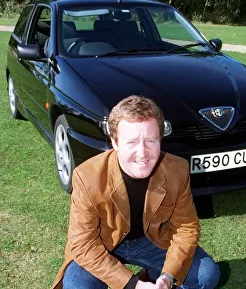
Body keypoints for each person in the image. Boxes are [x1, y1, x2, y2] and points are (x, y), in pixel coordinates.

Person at [52, 95, 220, 289]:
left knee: (207, 275)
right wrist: (132, 284)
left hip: (153, 240)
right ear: (114, 142)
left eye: (151, 140)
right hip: (104, 243)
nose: (142, 152)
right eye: (131, 142)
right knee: (77, 284)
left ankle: (151, 277)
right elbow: (83, 244)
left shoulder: (177, 169)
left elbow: (186, 228)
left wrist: (168, 276)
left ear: (160, 139)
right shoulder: (86, 177)